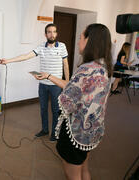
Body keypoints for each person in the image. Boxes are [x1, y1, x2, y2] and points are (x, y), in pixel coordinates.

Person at [37, 23, 112, 180]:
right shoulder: (102, 67)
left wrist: (59, 95)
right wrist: (49, 76)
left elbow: (66, 101)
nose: (78, 42)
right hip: (92, 131)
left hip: (76, 132)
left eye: (80, 38)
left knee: (73, 175)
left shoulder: (85, 69)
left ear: (89, 41)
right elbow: (75, 87)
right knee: (84, 169)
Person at [0, 23, 69, 141]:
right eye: (49, 32)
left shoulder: (62, 46)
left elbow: (65, 65)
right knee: (43, 109)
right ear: (45, 34)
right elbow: (26, 56)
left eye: (54, 32)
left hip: (56, 86)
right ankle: (45, 130)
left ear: (56, 33)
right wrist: (8, 61)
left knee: (56, 110)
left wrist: (66, 83)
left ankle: (55, 133)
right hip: (43, 85)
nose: (52, 34)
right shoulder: (41, 47)